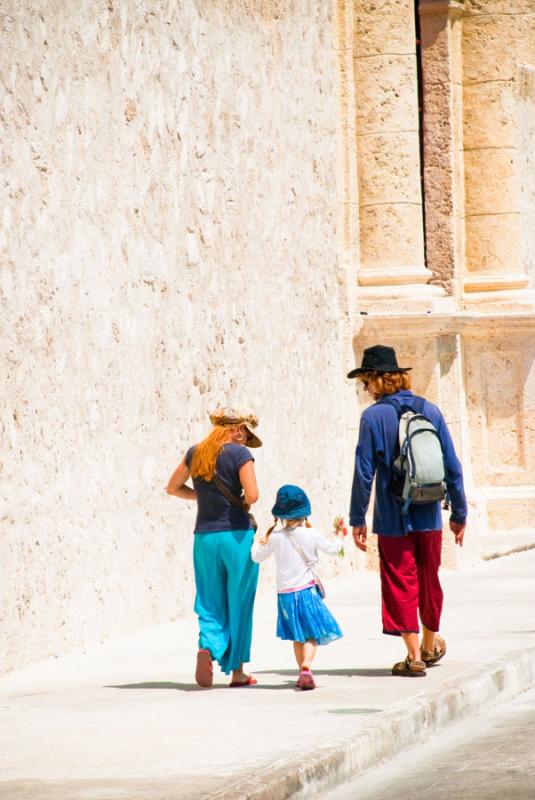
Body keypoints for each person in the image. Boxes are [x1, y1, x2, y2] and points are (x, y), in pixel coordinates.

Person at [347, 345, 467, 677]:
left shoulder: (372, 417)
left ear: (375, 380)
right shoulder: (431, 410)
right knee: (429, 577)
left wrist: (357, 518)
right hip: (428, 511)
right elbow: (452, 466)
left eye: (365, 383)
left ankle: (413, 655)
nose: (365, 389)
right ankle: (430, 645)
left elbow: (363, 472)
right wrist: (459, 512)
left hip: (390, 515)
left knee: (400, 578)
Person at [166, 406, 262, 688]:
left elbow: (172, 487)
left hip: (204, 537)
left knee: (208, 599)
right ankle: (238, 672)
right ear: (237, 429)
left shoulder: (195, 452)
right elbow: (253, 495)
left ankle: (208, 646)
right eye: (244, 432)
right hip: (236, 537)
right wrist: (240, 501)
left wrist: (204, 497)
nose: (244, 438)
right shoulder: (240, 455)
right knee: (240, 600)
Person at [251, 485, 343, 690]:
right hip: (307, 592)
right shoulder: (311, 534)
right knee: (311, 635)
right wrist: (339, 535)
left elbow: (256, 556)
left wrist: (256, 542)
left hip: (285, 596)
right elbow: (333, 549)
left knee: (297, 636)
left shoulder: (275, 537)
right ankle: (306, 667)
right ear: (304, 512)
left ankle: (301, 671)